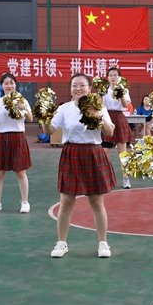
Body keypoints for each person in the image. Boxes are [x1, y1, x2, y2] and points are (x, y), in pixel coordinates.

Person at [44, 73, 116, 258]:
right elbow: (49, 130)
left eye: (82, 85)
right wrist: (43, 117)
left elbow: (109, 132)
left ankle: (103, 243)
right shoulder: (64, 109)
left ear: (89, 88)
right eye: (74, 85)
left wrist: (97, 114)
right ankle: (61, 243)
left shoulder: (99, 106)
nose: (78, 89)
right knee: (66, 202)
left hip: (93, 153)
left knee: (96, 202)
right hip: (71, 153)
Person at [0, 73, 33, 214]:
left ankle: (25, 202)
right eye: (6, 83)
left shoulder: (22, 100)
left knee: (21, 172)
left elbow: (31, 119)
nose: (9, 86)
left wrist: (22, 107)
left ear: (15, 84)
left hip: (18, 137)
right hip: (1, 137)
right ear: (1, 85)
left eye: (12, 83)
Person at [101, 67, 135, 189]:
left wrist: (120, 93)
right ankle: (104, 178)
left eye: (115, 75)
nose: (113, 77)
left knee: (123, 154)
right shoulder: (104, 89)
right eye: (110, 75)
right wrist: (101, 94)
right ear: (108, 77)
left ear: (119, 77)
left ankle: (126, 178)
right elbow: (101, 105)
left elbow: (125, 105)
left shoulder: (123, 89)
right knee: (105, 152)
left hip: (120, 118)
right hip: (107, 118)